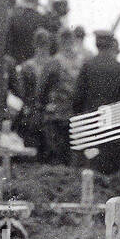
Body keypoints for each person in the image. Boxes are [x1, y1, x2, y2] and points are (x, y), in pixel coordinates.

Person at [71, 30, 120, 174]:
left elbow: (77, 98)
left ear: (97, 44)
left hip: (90, 123)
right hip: (113, 125)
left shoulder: (87, 66)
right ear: (111, 44)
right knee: (109, 169)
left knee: (90, 165)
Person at [36, 27, 85, 163]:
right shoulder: (82, 62)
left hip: (55, 116)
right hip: (75, 116)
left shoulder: (53, 62)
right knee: (72, 156)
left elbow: (41, 91)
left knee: (55, 156)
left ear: (59, 41)